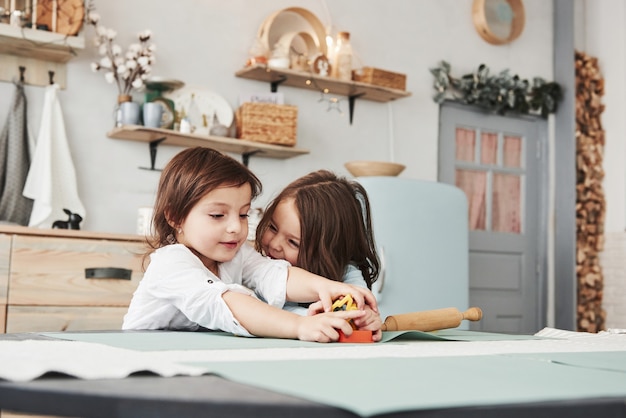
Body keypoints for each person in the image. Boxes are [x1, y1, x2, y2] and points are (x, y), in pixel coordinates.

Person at [122, 147, 379, 343]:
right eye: (218, 215)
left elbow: (275, 274)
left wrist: (328, 287)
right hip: (142, 359)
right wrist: (298, 327)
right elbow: (226, 302)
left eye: (243, 214)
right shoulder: (172, 263)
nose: (235, 227)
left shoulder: (237, 255)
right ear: (175, 217)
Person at [255, 170, 382, 339]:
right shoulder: (257, 267)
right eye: (272, 227)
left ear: (327, 251)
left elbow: (358, 304)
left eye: (293, 242)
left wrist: (365, 319)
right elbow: (260, 312)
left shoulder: (346, 272)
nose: (274, 244)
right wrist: (317, 319)